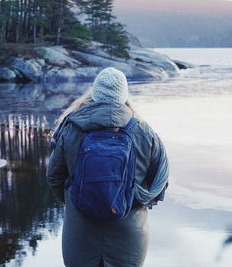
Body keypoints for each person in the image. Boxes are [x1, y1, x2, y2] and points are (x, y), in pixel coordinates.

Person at [46, 67, 169, 267]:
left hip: (81, 232)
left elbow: (54, 178)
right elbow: (158, 184)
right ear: (124, 95)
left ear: (94, 93)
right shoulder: (144, 132)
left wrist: (75, 200)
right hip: (129, 234)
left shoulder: (70, 128)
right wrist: (132, 197)